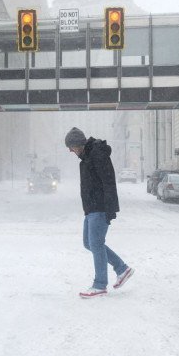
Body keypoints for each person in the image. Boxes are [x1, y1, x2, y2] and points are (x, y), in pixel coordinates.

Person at [64, 127, 134, 298]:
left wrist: (109, 209)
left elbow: (108, 181)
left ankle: (100, 285)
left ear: (77, 144)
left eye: (70, 147)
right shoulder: (87, 156)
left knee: (95, 244)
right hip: (91, 209)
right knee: (89, 243)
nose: (70, 151)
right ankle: (122, 269)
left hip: (100, 207)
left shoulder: (97, 154)